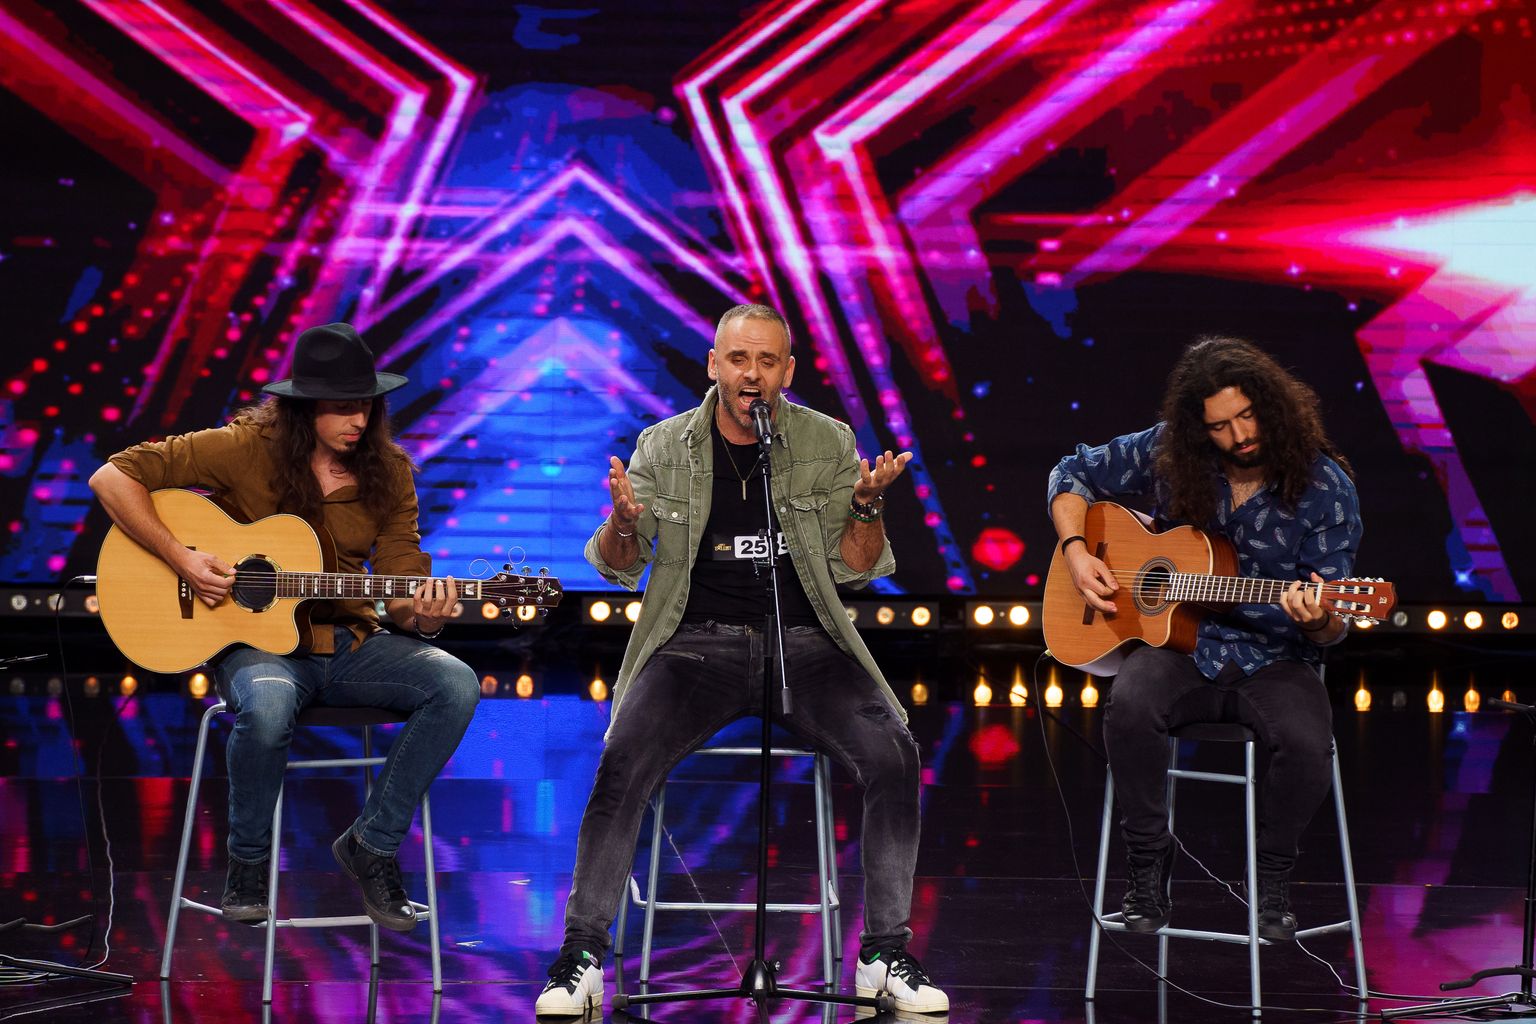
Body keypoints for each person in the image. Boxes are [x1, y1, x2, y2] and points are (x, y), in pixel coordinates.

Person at [534, 304, 947, 1017]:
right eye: (738, 359)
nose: (751, 375)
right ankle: (583, 955)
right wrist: (624, 524)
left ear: (787, 370)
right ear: (714, 365)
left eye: (767, 361)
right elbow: (619, 566)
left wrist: (867, 507)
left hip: (807, 643)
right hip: (696, 646)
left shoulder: (825, 440)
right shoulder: (665, 446)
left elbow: (855, 569)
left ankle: (884, 953)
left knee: (894, 754)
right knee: (622, 759)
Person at [89, 323, 479, 932]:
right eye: (342, 407)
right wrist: (181, 557)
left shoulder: (389, 472)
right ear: (304, 406)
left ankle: (371, 845)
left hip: (349, 646)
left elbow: (402, 585)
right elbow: (112, 478)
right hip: (256, 647)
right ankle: (247, 866)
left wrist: (423, 614)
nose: (359, 420)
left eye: (367, 405)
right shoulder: (244, 448)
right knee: (268, 704)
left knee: (456, 684)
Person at [1048, 336, 1362, 941]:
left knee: (1307, 742)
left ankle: (1272, 878)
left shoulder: (1326, 489)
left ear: (1271, 405)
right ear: (1198, 428)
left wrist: (1317, 617)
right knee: (1129, 703)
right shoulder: (1172, 451)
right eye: (1220, 426)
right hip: (1179, 649)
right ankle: (1148, 862)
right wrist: (1078, 550)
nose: (1239, 435)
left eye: (1247, 416)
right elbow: (1071, 473)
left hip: (1276, 659)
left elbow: (1334, 624)